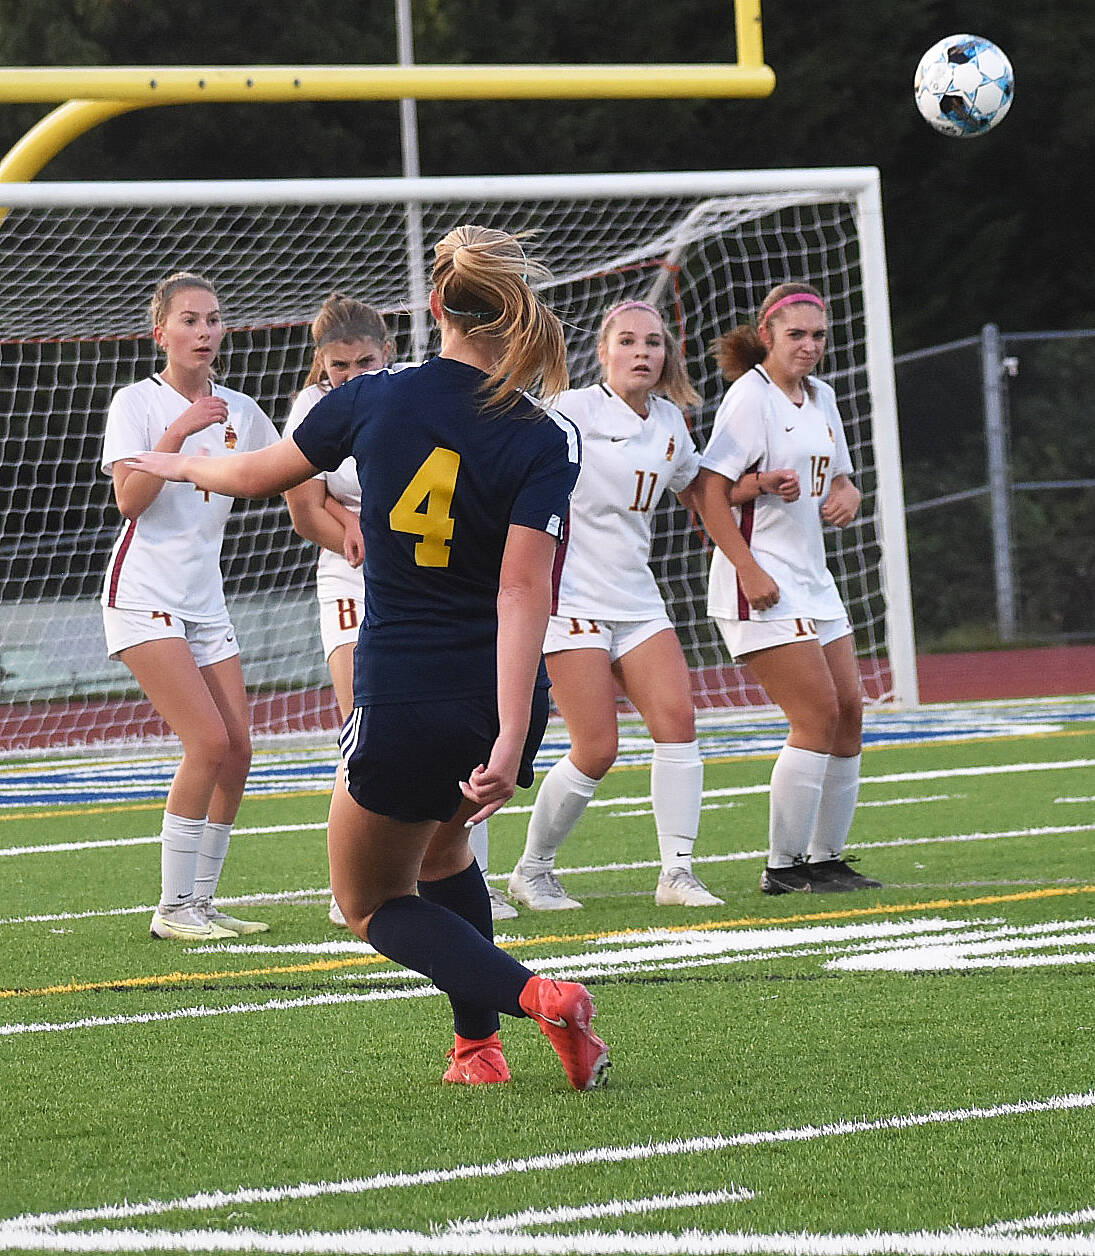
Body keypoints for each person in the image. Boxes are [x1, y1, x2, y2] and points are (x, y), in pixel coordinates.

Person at [125, 225, 609, 1091]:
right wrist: (508, 736)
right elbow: (521, 593)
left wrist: (172, 460)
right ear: (513, 316)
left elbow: (261, 473)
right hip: (502, 697)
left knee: (371, 903)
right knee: (446, 858)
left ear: (434, 309)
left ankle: (541, 998)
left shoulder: (377, 394)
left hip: (402, 692)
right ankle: (478, 1050)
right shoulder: (547, 433)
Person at [282, 294, 514, 926]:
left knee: (456, 732)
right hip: (351, 579)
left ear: (386, 354)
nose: (351, 375)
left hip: (420, 584)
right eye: (338, 366)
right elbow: (306, 509)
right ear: (320, 365)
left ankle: (462, 869)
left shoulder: (403, 393)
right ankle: (355, 880)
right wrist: (350, 531)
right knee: (367, 719)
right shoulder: (313, 408)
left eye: (363, 361)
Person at [507, 300, 723, 911]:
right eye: (627, 341)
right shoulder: (568, 410)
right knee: (597, 747)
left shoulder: (672, 424)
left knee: (678, 723)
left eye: (653, 343)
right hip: (570, 597)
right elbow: (508, 459)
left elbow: (697, 483)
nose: (642, 353)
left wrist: (752, 495)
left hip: (637, 597)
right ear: (603, 352)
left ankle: (677, 872)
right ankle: (533, 870)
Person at [100, 271, 280, 940]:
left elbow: (286, 471)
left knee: (238, 751)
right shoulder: (136, 403)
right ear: (161, 335)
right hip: (143, 596)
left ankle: (200, 902)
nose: (204, 331)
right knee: (205, 742)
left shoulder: (239, 407)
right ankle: (171, 908)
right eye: (189, 321)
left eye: (212, 319)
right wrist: (177, 433)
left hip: (205, 601)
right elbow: (129, 503)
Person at [693, 282, 883, 895]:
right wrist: (749, 568)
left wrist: (848, 492)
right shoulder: (750, 398)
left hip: (813, 577)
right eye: (795, 334)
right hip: (762, 582)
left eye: (818, 335)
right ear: (767, 334)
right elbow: (706, 491)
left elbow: (841, 477)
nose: (808, 345)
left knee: (850, 712)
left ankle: (827, 859)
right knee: (816, 713)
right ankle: (782, 867)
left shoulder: (821, 395)